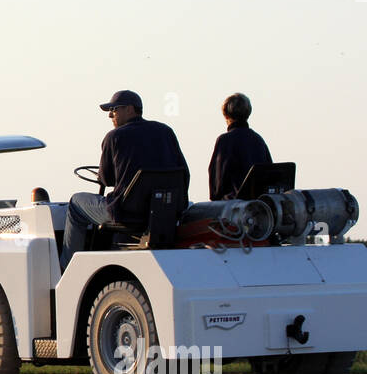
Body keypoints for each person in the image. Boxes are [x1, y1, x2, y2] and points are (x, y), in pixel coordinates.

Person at [60, 90, 190, 268]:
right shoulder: (165, 132)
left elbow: (106, 179)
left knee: (75, 203)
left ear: (130, 109)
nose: (110, 115)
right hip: (164, 212)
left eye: (114, 109)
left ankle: (67, 268)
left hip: (126, 214)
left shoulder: (114, 137)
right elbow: (183, 173)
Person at [207, 92, 272, 200]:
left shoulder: (225, 140)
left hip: (235, 206)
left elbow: (217, 184)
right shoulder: (258, 139)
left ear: (226, 115)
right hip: (259, 203)